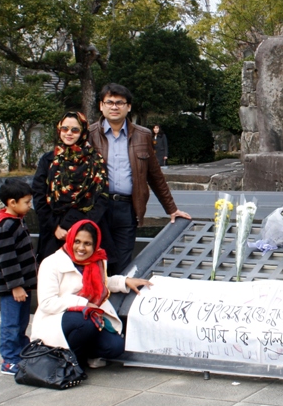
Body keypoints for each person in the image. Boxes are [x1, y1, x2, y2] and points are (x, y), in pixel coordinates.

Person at [88, 83, 191, 275]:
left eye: (120, 102)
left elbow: (155, 175)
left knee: (123, 264)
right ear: (101, 106)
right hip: (97, 208)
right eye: (109, 102)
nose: (114, 106)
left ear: (128, 107)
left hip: (128, 208)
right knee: (98, 263)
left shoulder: (142, 135)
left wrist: (172, 209)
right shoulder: (90, 134)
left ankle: (117, 304)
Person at [31, 220, 152, 370]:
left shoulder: (97, 261)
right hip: (58, 319)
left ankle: (83, 354)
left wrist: (125, 281)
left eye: (87, 244)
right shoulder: (51, 263)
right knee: (84, 321)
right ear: (70, 240)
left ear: (95, 245)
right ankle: (71, 360)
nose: (81, 248)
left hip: (88, 318)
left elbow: (102, 282)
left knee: (115, 346)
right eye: (77, 241)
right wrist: (83, 304)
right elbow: (47, 303)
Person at [32, 111, 113, 265]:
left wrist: (82, 231)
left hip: (86, 233)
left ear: (83, 132)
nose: (69, 133)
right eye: (65, 129)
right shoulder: (48, 160)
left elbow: (102, 198)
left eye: (75, 130)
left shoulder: (95, 161)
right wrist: (55, 227)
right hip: (55, 232)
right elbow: (39, 196)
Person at [0, 179, 37, 375]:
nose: (29, 205)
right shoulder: (6, 226)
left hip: (23, 285)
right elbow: (7, 259)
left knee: (21, 322)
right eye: (27, 202)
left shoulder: (16, 221)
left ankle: (21, 352)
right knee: (11, 323)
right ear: (12, 202)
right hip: (12, 288)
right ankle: (9, 359)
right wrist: (16, 286)